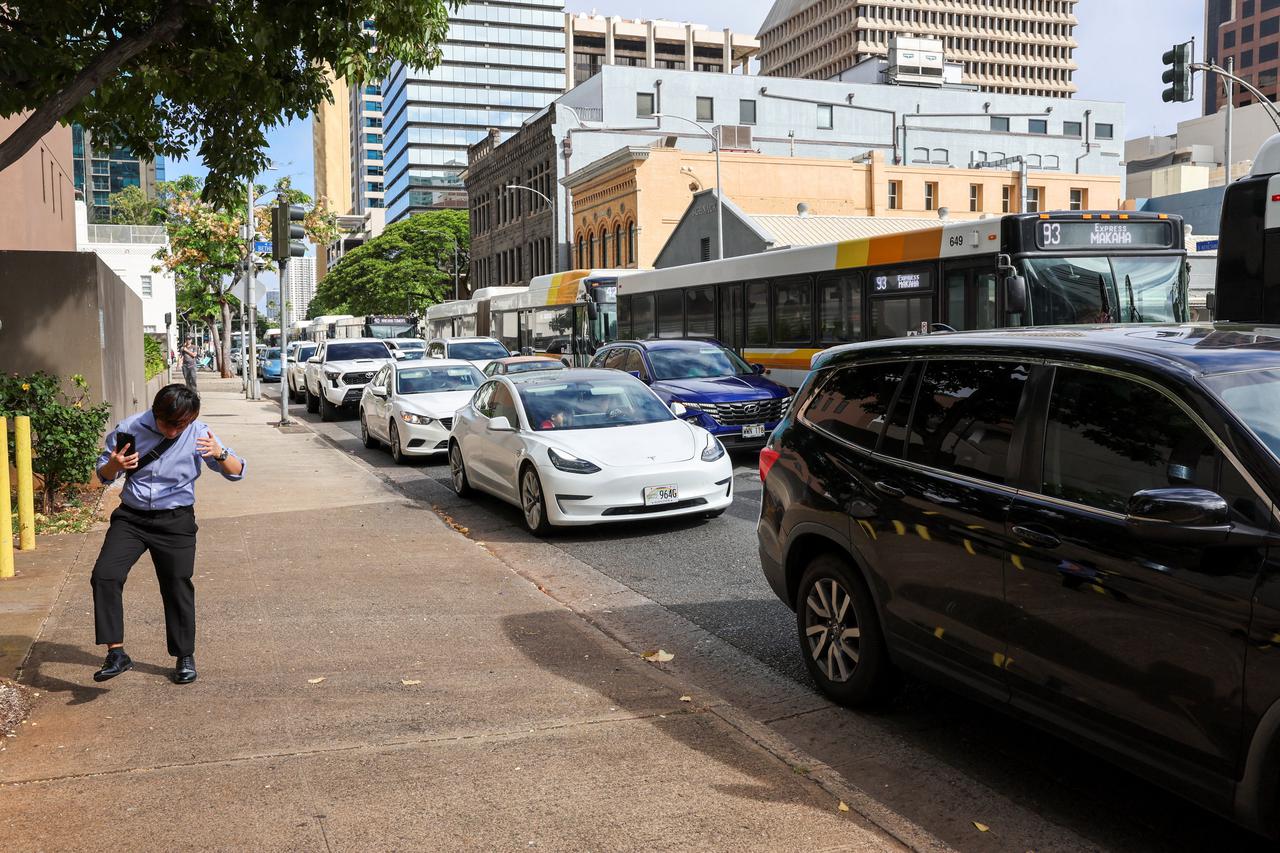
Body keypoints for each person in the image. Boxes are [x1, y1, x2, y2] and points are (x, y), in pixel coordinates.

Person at [90, 384, 246, 685]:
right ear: (155, 413)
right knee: (105, 575)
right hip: (132, 518)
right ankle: (116, 653)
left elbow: (237, 471)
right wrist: (114, 465)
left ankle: (184, 655)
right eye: (167, 424)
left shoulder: (200, 432)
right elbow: (103, 474)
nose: (174, 431)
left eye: (181, 425)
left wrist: (220, 452)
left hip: (176, 520)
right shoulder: (130, 429)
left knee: (176, 585)